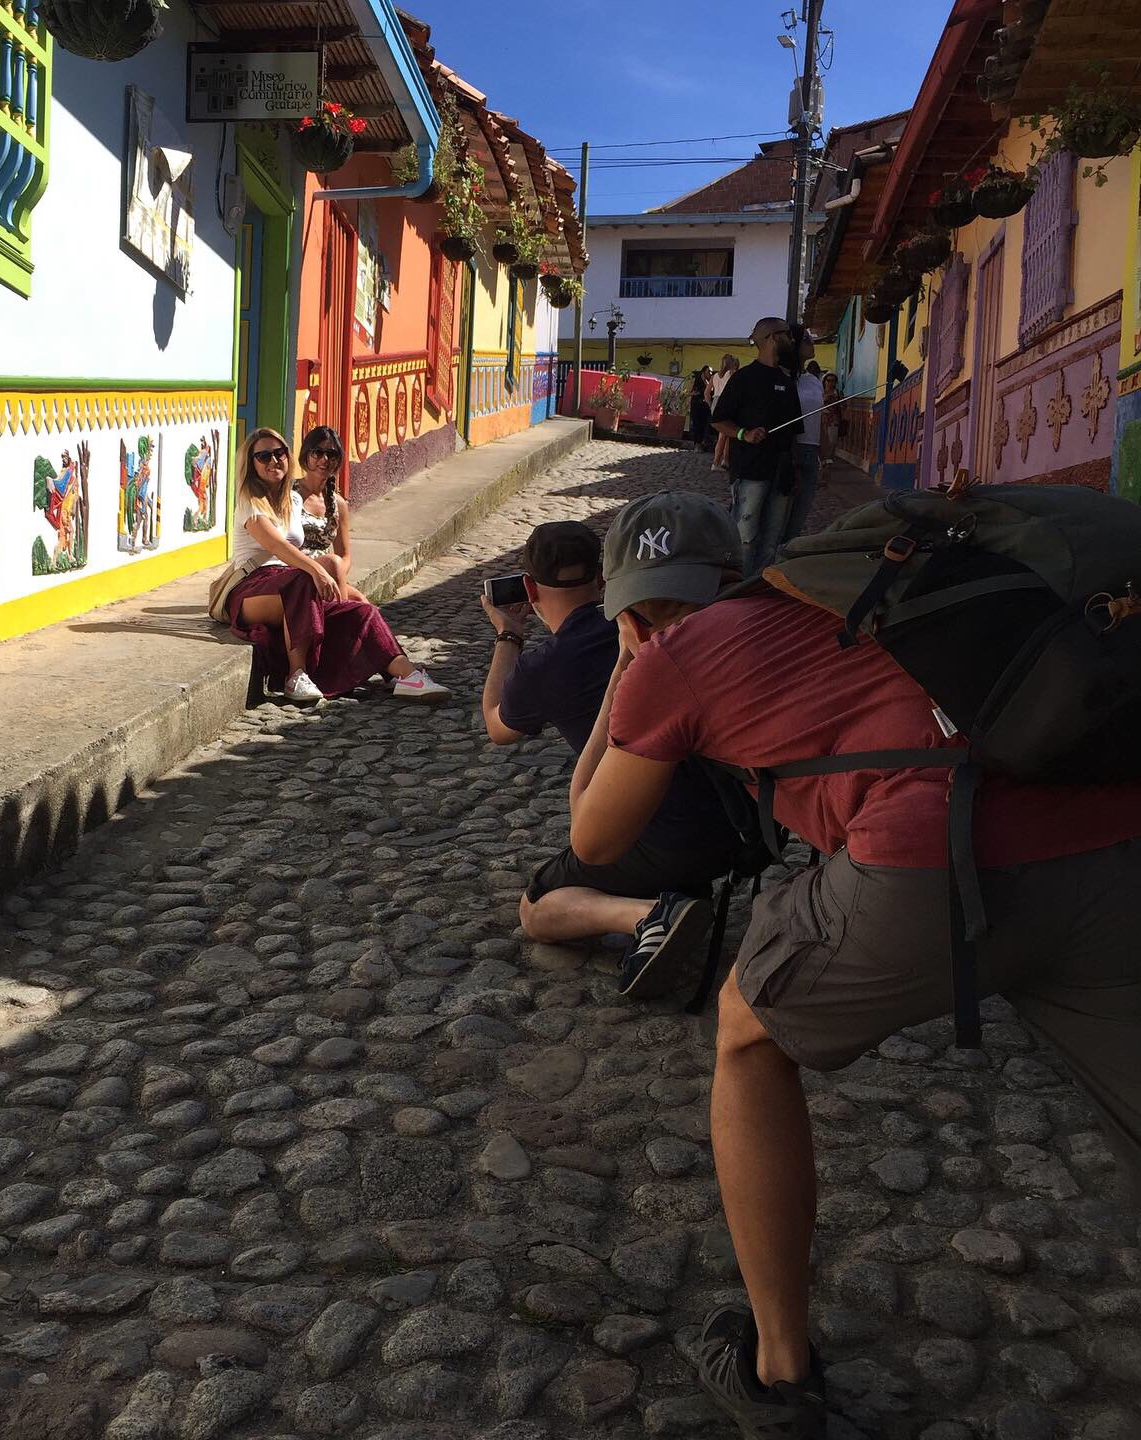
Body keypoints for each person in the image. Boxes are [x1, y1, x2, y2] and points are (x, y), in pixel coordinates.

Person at [568, 519, 1141, 1439]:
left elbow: (592, 837)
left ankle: (779, 1370)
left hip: (928, 864)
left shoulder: (668, 662)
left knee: (747, 1030)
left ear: (625, 614)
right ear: (738, 568)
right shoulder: (830, 599)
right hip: (1111, 844)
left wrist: (626, 680)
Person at [480, 512, 742, 992]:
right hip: (744, 831)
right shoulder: (665, 625)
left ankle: (648, 914)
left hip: (659, 839)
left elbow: (498, 726)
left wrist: (508, 633)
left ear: (529, 589)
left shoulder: (548, 666)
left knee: (536, 909)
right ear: (603, 579)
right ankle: (673, 895)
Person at [225, 428, 449, 705]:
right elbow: (277, 546)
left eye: (279, 453)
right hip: (252, 589)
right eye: (263, 456)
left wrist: (322, 571)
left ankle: (407, 675)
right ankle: (296, 675)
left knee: (362, 611)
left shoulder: (292, 501)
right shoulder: (250, 502)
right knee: (302, 580)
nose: (274, 461)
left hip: (291, 583)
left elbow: (335, 552)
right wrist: (318, 570)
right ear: (252, 464)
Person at [710, 317, 802, 575]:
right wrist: (744, 433)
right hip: (750, 472)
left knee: (771, 541)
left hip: (781, 473)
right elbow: (718, 421)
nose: (792, 341)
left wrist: (795, 469)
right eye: (787, 335)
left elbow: (794, 433)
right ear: (772, 337)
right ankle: (739, 589)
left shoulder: (787, 382)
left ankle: (760, 591)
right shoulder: (743, 378)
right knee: (745, 538)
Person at [294, 426, 365, 603]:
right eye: (317, 453)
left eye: (331, 454)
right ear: (306, 456)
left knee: (362, 602)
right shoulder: (289, 494)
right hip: (296, 570)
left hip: (328, 573)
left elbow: (345, 555)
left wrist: (336, 572)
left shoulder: (338, 504)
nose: (324, 460)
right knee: (345, 604)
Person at [784, 341, 825, 544]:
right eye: (806, 339)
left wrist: (825, 459)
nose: (811, 343)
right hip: (789, 449)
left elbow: (821, 418)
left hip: (811, 449)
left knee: (799, 514)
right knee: (779, 515)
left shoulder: (815, 381)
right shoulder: (784, 377)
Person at [710, 355, 739, 472]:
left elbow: (707, 393)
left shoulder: (715, 376)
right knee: (723, 435)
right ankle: (716, 462)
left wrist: (710, 405)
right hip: (725, 402)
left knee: (726, 434)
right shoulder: (732, 374)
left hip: (716, 401)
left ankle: (725, 461)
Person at [819, 371, 841, 469]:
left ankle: (828, 460)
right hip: (823, 420)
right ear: (825, 382)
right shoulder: (821, 393)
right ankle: (823, 460)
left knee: (832, 441)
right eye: (829, 381)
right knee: (823, 441)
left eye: (833, 381)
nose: (831, 383)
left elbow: (843, 406)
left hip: (834, 421)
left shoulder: (838, 393)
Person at [687, 369, 712, 452]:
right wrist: (694, 393)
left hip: (705, 407)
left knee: (704, 425)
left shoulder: (709, 381)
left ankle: (701, 443)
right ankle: (697, 444)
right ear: (704, 372)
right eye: (709, 371)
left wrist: (706, 381)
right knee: (696, 424)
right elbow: (689, 392)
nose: (710, 373)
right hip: (696, 405)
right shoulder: (696, 380)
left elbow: (710, 391)